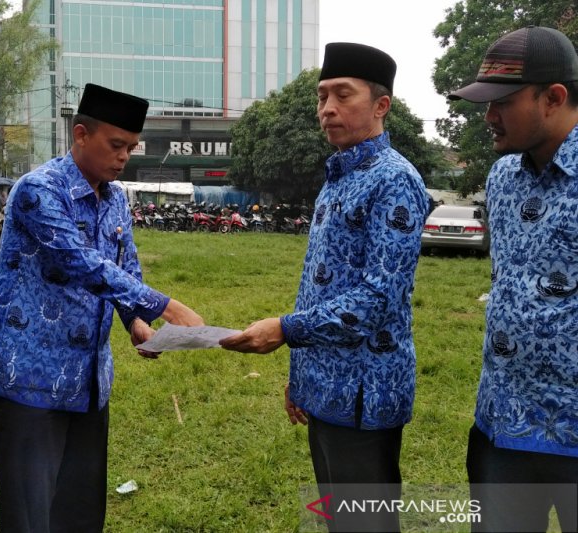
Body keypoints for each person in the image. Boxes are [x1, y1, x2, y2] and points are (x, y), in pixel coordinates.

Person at [221, 43, 428, 532]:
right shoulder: (338, 175)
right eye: (321, 97)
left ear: (381, 105)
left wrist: (286, 331)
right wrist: (303, 377)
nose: (326, 109)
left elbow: (377, 299)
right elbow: (318, 285)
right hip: (325, 386)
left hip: (364, 393)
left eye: (342, 95)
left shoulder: (393, 181)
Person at [0, 83, 203, 532]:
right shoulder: (38, 190)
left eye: (131, 147)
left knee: (79, 510)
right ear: (80, 134)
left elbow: (126, 264)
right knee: (31, 514)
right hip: (29, 378)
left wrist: (136, 321)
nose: (124, 157)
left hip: (87, 381)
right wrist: (163, 305)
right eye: (116, 145)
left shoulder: (116, 196)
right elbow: (79, 261)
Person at [448, 26, 578, 533]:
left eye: (502, 101)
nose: (488, 116)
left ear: (554, 97)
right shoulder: (502, 179)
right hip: (502, 426)